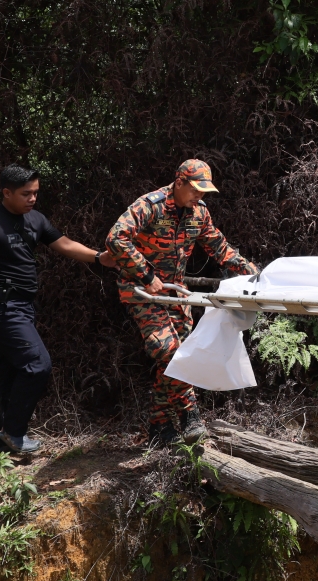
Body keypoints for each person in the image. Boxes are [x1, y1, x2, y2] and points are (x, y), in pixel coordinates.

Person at [0, 164, 116, 453]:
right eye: (26, 194)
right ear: (6, 193)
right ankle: (15, 433)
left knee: (10, 371)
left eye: (35, 193)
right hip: (2, 308)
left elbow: (65, 244)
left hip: (24, 307)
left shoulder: (35, 219)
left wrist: (99, 258)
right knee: (37, 365)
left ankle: (0, 443)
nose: (32, 199)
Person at [105, 159, 257, 447]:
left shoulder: (199, 213)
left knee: (180, 357)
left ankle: (160, 424)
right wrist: (146, 275)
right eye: (196, 189)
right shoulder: (151, 205)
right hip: (142, 292)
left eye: (204, 190)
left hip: (176, 293)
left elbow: (219, 248)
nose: (200, 195)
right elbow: (116, 238)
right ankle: (189, 413)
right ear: (179, 182)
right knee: (167, 349)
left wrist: (252, 272)